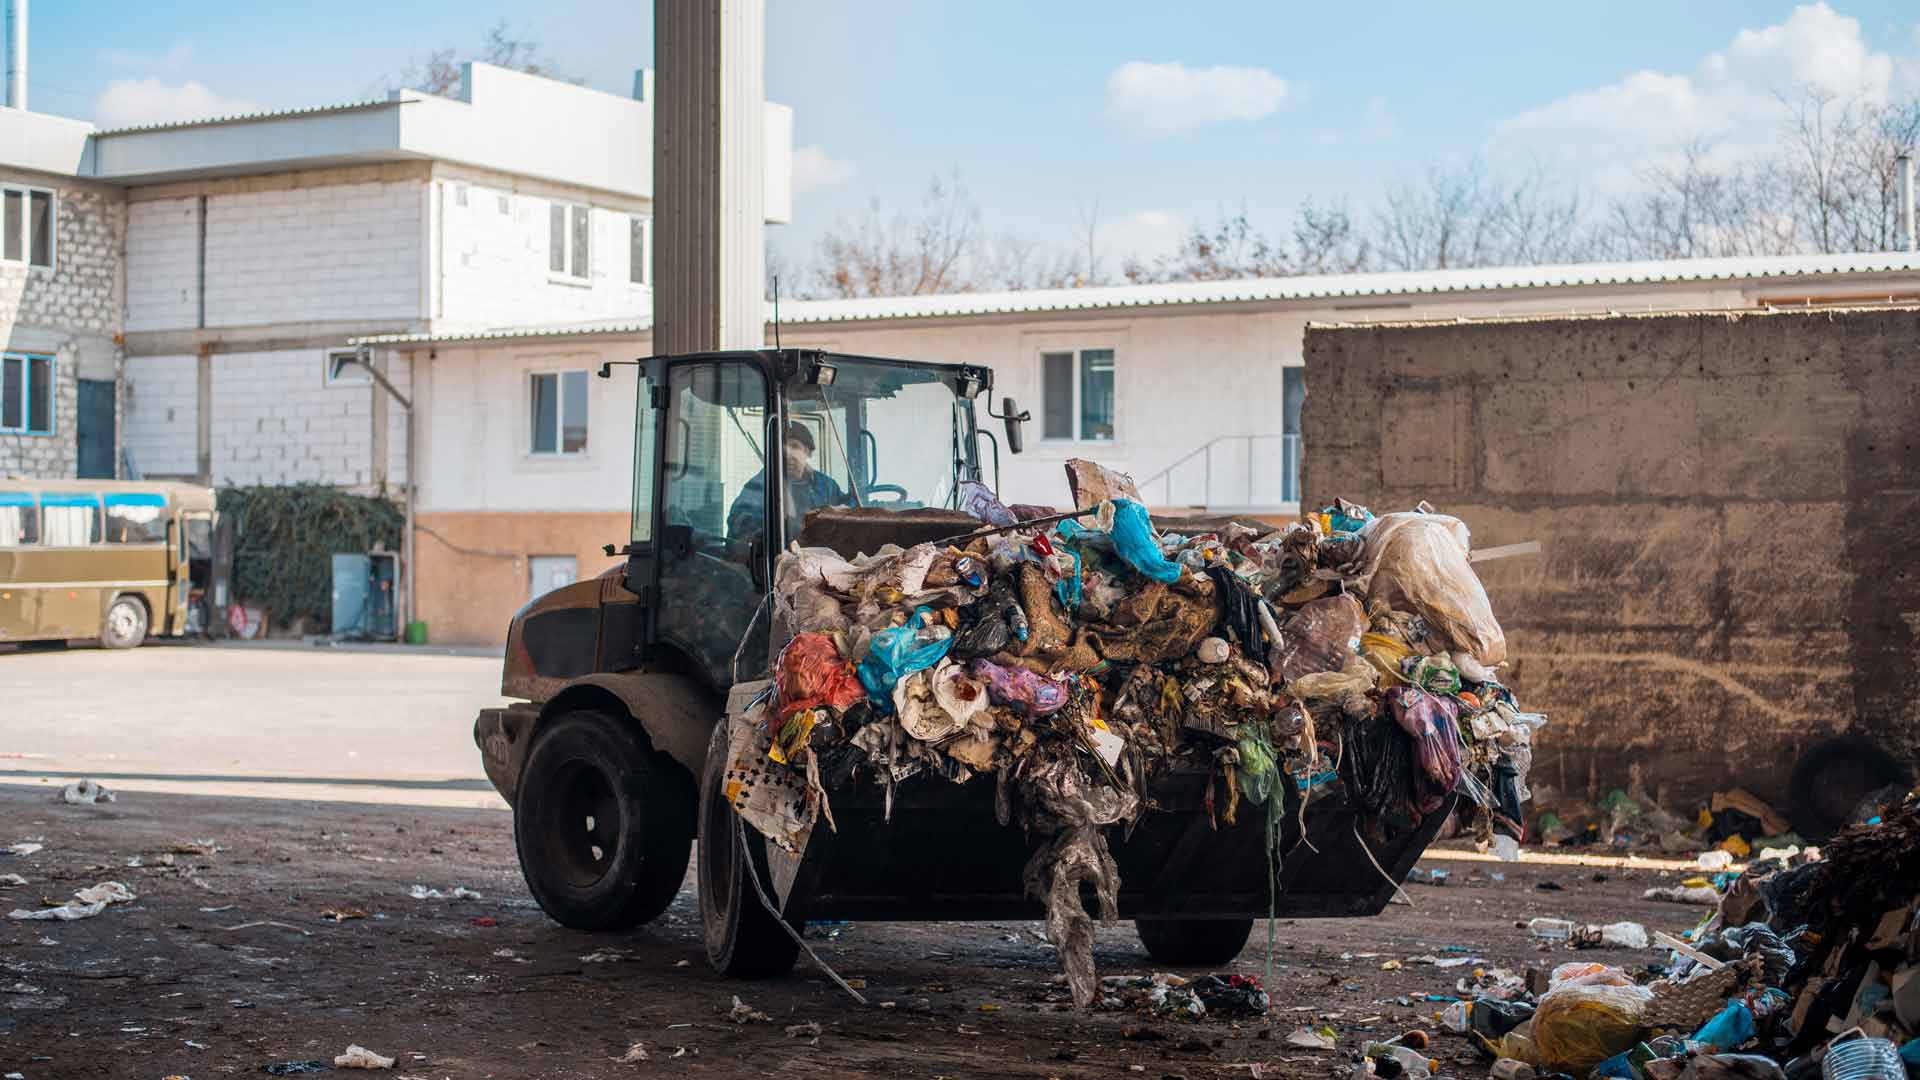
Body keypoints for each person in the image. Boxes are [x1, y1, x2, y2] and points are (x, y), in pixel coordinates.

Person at [727, 420, 848, 543]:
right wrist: (778, 523)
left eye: (794, 446)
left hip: (821, 557)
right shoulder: (761, 484)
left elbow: (850, 511)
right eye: (781, 447)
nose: (787, 453)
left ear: (808, 452)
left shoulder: (826, 485)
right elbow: (740, 525)